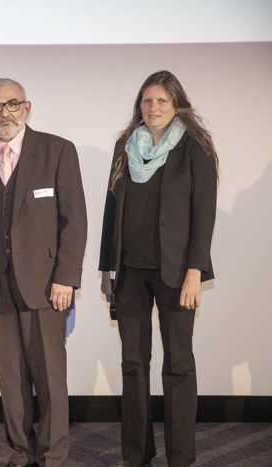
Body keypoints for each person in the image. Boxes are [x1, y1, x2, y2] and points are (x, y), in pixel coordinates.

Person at [99, 70, 218, 467]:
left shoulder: (194, 147)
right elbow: (111, 210)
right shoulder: (124, 146)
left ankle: (180, 458)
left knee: (178, 365)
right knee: (133, 364)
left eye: (162, 101)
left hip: (177, 275)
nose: (153, 108)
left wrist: (195, 271)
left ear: (176, 104)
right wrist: (106, 268)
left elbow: (204, 215)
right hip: (129, 273)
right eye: (147, 101)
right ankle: (137, 454)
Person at [0, 78, 87, 467]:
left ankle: (53, 455)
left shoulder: (57, 151)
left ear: (27, 107)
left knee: (50, 378)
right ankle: (21, 450)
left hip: (45, 287)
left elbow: (75, 220)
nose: (4, 113)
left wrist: (66, 277)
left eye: (12, 104)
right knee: (10, 378)